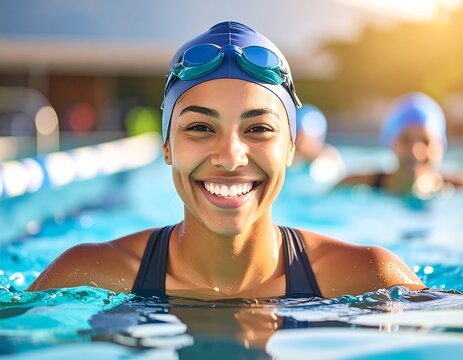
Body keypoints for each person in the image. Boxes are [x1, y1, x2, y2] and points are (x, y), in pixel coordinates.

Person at [27, 22, 424, 299]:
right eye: (200, 128)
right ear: (166, 147)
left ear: (290, 148)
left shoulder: (367, 277)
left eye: (258, 129)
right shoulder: (92, 274)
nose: (230, 158)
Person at [338, 92, 463, 197]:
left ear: (440, 146)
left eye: (425, 141)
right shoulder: (352, 185)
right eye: (406, 140)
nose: (416, 152)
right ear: (391, 144)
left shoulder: (457, 189)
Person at [293, 104, 345, 184]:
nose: (298, 143)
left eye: (302, 138)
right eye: (295, 136)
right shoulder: (293, 161)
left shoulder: (328, 164)